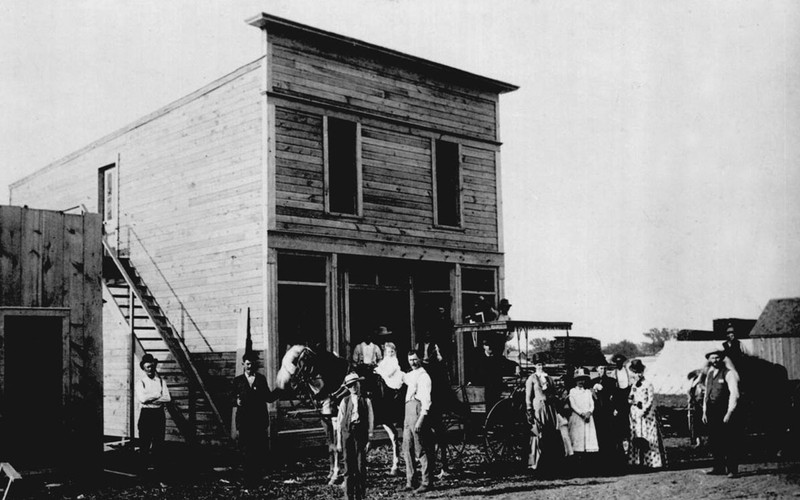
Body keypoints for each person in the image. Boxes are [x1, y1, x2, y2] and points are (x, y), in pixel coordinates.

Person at [232, 351, 280, 487]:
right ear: (243, 364)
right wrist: (236, 401)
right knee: (246, 450)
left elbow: (268, 397)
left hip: (258, 421)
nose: (249, 366)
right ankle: (248, 479)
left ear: (255, 365)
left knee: (258, 450)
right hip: (245, 421)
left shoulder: (261, 379)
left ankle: (257, 479)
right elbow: (230, 398)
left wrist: (280, 389)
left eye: (252, 364)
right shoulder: (238, 381)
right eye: (247, 364)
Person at [337, 373, 375, 500]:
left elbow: (371, 419)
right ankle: (349, 496)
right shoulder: (344, 401)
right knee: (348, 466)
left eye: (355, 384)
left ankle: (360, 496)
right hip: (347, 433)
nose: (353, 387)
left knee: (360, 466)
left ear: (359, 384)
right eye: (350, 386)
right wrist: (338, 442)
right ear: (347, 388)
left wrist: (370, 438)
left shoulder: (366, 401)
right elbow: (339, 421)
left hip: (361, 434)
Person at [703, 350, 741, 477]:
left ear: (722, 359)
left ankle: (732, 469)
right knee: (715, 440)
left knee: (729, 440)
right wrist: (704, 412)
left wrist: (730, 412)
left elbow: (734, 394)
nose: (715, 360)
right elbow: (706, 394)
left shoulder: (729, 373)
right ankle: (718, 467)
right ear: (709, 360)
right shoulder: (709, 374)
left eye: (717, 358)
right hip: (711, 411)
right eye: (712, 358)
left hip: (724, 411)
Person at [402, 351, 434, 493]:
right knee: (407, 448)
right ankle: (411, 480)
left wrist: (421, 419)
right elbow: (399, 379)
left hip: (417, 410)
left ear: (420, 359)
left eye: (415, 359)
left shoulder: (424, 377)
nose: (412, 362)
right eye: (410, 360)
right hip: (407, 411)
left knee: (421, 449)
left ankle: (427, 482)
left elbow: (426, 401)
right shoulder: (410, 375)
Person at [627, 359, 667, 469]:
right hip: (635, 413)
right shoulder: (634, 385)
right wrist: (633, 402)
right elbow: (630, 398)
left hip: (646, 414)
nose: (638, 374)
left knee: (648, 436)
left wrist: (643, 410)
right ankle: (636, 461)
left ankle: (651, 462)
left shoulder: (648, 384)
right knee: (636, 435)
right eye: (635, 372)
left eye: (639, 372)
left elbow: (650, 400)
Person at [525, 355, 561, 473]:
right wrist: (529, 409)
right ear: (535, 366)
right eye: (538, 365)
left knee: (549, 433)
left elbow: (555, 393)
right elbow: (528, 396)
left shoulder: (549, 378)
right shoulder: (532, 378)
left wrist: (551, 396)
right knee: (537, 433)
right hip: (538, 408)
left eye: (542, 364)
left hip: (549, 408)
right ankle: (535, 463)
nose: (540, 367)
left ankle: (549, 463)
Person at [136, 353, 171, 470]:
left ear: (155, 366)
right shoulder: (140, 383)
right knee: (144, 442)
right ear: (144, 369)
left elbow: (167, 398)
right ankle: (142, 470)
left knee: (158, 442)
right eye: (148, 367)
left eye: (152, 366)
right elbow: (142, 399)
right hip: (146, 414)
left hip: (158, 414)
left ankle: (157, 470)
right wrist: (157, 395)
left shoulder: (161, 382)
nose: (150, 369)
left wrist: (151, 398)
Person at [568, 367, 599, 466]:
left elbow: (592, 404)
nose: (580, 382)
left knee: (588, 439)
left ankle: (587, 463)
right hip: (578, 418)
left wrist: (589, 412)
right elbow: (573, 405)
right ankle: (577, 462)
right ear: (575, 381)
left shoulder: (588, 392)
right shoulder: (572, 391)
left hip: (588, 418)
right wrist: (581, 413)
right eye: (578, 380)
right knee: (578, 438)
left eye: (582, 380)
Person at [591, 363, 619, 468]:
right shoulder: (593, 381)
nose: (602, 370)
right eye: (600, 368)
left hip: (607, 410)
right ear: (597, 370)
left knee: (609, 433)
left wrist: (614, 408)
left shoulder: (611, 381)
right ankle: (600, 459)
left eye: (604, 368)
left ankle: (610, 459)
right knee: (599, 433)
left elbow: (614, 396)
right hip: (597, 411)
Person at [610, 353, 632, 454]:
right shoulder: (614, 373)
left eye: (620, 362)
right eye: (617, 362)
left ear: (623, 363)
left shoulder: (628, 372)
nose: (619, 364)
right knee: (620, 421)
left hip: (627, 394)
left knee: (628, 420)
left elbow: (631, 384)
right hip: (618, 397)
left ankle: (628, 444)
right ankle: (620, 446)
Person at [687, 368, 707, 448]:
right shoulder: (694, 384)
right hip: (695, 404)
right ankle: (698, 440)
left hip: (702, 404)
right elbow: (690, 391)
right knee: (695, 422)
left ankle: (702, 439)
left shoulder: (704, 383)